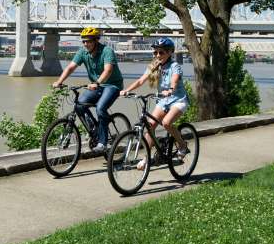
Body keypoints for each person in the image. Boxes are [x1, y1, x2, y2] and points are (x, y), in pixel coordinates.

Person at [119, 37, 189, 170]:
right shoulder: (153, 66)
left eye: (161, 52)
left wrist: (170, 90)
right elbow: (141, 81)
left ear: (170, 53)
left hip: (178, 99)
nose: (157, 55)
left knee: (167, 123)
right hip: (163, 100)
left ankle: (182, 144)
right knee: (150, 126)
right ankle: (147, 158)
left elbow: (174, 80)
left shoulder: (175, 66)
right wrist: (126, 90)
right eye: (155, 52)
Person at [52, 27, 124, 153]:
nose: (86, 44)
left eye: (89, 41)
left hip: (112, 85)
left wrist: (97, 82)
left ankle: (103, 142)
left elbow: (108, 70)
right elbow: (70, 67)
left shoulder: (107, 51)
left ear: (96, 40)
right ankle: (94, 129)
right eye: (84, 41)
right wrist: (59, 81)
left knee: (100, 108)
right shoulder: (82, 52)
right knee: (79, 105)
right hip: (96, 85)